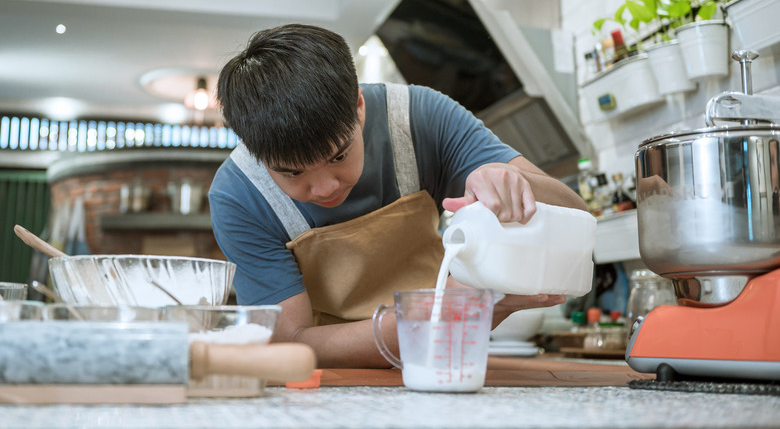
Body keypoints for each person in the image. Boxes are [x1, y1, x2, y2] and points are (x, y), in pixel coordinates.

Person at [209, 24, 588, 368]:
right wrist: (443, 315)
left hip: (442, 362)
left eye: (338, 156)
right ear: (255, 153)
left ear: (359, 107)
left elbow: (577, 215)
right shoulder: (238, 195)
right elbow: (288, 342)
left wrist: (512, 182)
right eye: (292, 173)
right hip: (325, 383)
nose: (325, 188)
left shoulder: (421, 118)